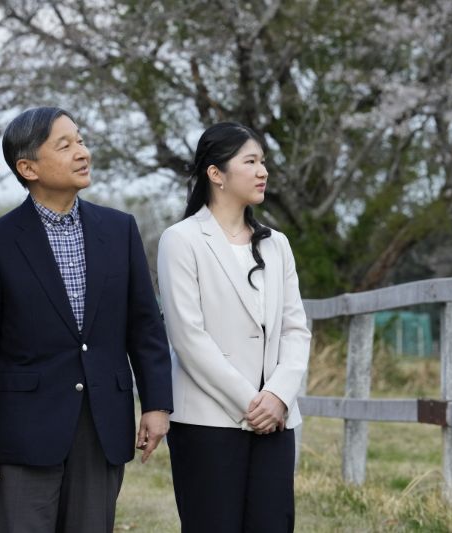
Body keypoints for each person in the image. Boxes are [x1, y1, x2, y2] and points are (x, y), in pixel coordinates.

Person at [0, 106, 173, 533]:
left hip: (102, 425)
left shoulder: (119, 230)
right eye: (65, 144)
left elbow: (145, 326)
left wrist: (156, 403)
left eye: (80, 140)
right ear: (28, 167)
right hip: (23, 432)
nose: (82, 152)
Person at [157, 122, 311, 533]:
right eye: (251, 162)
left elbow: (296, 328)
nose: (263, 172)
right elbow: (189, 338)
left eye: (263, 162)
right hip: (208, 421)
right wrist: (252, 403)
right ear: (216, 173)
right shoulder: (181, 240)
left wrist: (278, 396)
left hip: (276, 421)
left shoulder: (276, 244)